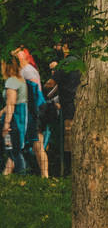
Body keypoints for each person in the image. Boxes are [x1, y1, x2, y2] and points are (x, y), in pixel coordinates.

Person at [13, 45, 49, 178]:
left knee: (37, 143)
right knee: (34, 144)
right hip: (34, 108)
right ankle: (42, 174)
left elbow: (34, 91)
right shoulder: (25, 70)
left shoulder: (28, 71)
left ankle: (45, 175)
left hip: (36, 108)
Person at [49, 39, 81, 173]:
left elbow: (51, 83)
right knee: (75, 134)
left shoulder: (64, 63)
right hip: (78, 102)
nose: (55, 48)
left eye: (58, 45)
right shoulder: (79, 61)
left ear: (66, 46)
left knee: (68, 136)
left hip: (67, 103)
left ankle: (68, 169)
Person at [1, 55, 28, 175]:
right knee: (13, 149)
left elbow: (11, 103)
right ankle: (8, 174)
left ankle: (22, 175)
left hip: (13, 119)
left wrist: (6, 124)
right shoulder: (20, 80)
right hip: (19, 116)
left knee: (13, 150)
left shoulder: (11, 81)